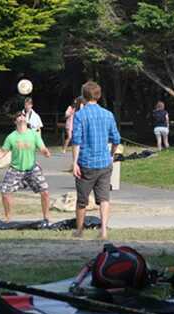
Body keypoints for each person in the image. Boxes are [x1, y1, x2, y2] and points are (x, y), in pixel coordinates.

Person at [0, 111, 51, 223]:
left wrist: (45, 152)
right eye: (19, 116)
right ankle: (8, 217)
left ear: (26, 120)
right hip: (15, 169)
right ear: (15, 121)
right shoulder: (11, 137)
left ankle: (46, 217)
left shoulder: (33, 134)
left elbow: (42, 148)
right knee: (5, 192)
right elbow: (2, 152)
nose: (22, 117)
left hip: (32, 168)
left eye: (23, 116)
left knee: (45, 192)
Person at [71, 81, 120, 240]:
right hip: (104, 162)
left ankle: (79, 230)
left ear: (83, 96)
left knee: (82, 200)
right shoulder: (108, 114)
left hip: (86, 162)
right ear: (98, 95)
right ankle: (104, 230)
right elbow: (116, 138)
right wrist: (111, 155)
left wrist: (75, 162)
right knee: (104, 198)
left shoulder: (80, 115)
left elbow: (76, 141)